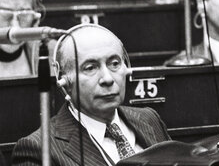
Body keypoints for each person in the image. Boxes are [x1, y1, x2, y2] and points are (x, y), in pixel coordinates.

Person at [12, 24, 171, 166]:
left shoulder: (150, 118)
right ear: (64, 80)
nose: (107, 79)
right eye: (90, 68)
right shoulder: (38, 149)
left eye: (114, 64)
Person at [0, 0, 44, 78]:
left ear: (35, 17)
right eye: (5, 14)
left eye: (24, 15)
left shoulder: (52, 54)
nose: (15, 27)